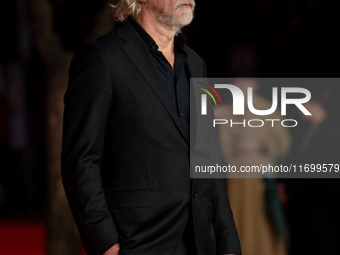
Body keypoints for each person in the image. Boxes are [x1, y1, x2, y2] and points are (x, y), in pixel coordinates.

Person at [61, 1, 241, 255]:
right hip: (139, 243)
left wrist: (229, 244)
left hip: (200, 244)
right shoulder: (102, 57)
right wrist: (106, 245)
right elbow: (80, 161)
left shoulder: (196, 64)